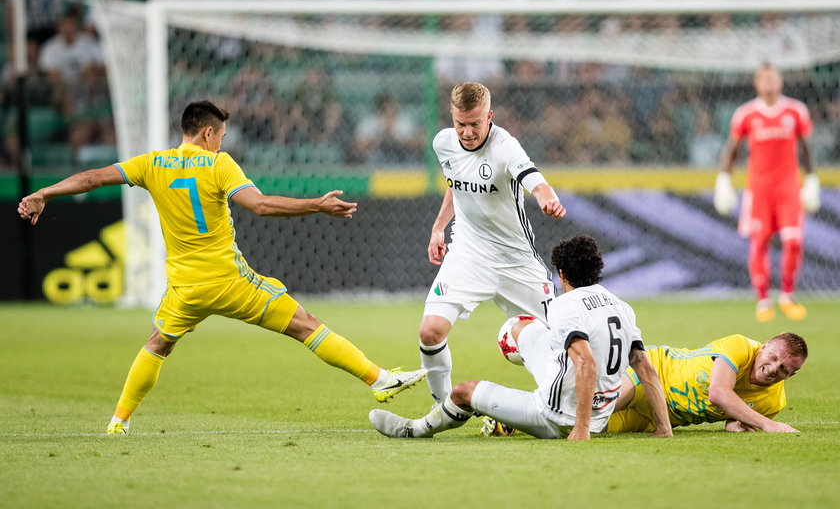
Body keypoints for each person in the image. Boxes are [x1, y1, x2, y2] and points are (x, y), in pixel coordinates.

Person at [17, 100, 426, 435]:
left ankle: (118, 421)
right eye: (221, 137)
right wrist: (317, 205)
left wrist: (44, 193)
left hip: (185, 288)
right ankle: (378, 380)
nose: (220, 143)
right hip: (230, 282)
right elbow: (261, 205)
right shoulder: (218, 164)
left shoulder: (152, 163)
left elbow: (91, 177)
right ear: (208, 133)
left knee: (157, 344)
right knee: (304, 323)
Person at [370, 234, 673, 440]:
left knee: (463, 392)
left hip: (557, 416)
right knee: (520, 325)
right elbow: (644, 368)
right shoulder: (621, 306)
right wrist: (664, 427)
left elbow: (586, 363)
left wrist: (579, 428)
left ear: (562, 274)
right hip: (598, 412)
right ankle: (523, 371)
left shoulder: (564, 306)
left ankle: (416, 429)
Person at [419, 82, 565, 405]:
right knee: (430, 331)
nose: (467, 132)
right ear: (452, 118)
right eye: (461, 124)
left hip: (517, 263)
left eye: (475, 124)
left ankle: (562, 402)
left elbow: (533, 179)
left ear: (490, 116)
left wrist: (546, 198)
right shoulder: (443, 143)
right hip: (468, 255)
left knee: (560, 341)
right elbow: (455, 182)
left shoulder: (505, 146)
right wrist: (438, 227)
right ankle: (444, 409)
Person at [714, 63, 819, 322]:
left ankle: (787, 296)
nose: (770, 82)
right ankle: (763, 301)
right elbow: (732, 149)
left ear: (781, 82)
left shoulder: (795, 111)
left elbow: (805, 148)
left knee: (793, 241)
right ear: (757, 84)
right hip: (759, 191)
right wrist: (724, 179)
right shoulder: (746, 114)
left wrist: (812, 178)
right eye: (765, 78)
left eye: (774, 78)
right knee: (760, 243)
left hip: (788, 190)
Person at [608, 332, 807, 433]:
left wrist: (734, 426)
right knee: (598, 408)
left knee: (588, 426)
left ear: (791, 375)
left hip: (657, 418)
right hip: (654, 374)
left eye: (783, 369)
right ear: (763, 347)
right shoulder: (740, 346)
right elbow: (718, 393)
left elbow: (735, 419)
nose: (773, 368)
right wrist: (767, 424)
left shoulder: (773, 404)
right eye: (772, 357)